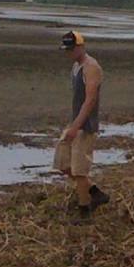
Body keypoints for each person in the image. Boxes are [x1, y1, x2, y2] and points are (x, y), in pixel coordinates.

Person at [54, 31, 110, 224]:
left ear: (80, 46)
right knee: (63, 163)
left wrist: (76, 126)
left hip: (85, 126)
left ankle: (85, 211)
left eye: (71, 49)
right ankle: (95, 192)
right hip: (76, 123)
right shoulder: (76, 66)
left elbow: (90, 100)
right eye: (67, 50)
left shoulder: (91, 67)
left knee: (79, 170)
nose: (69, 53)